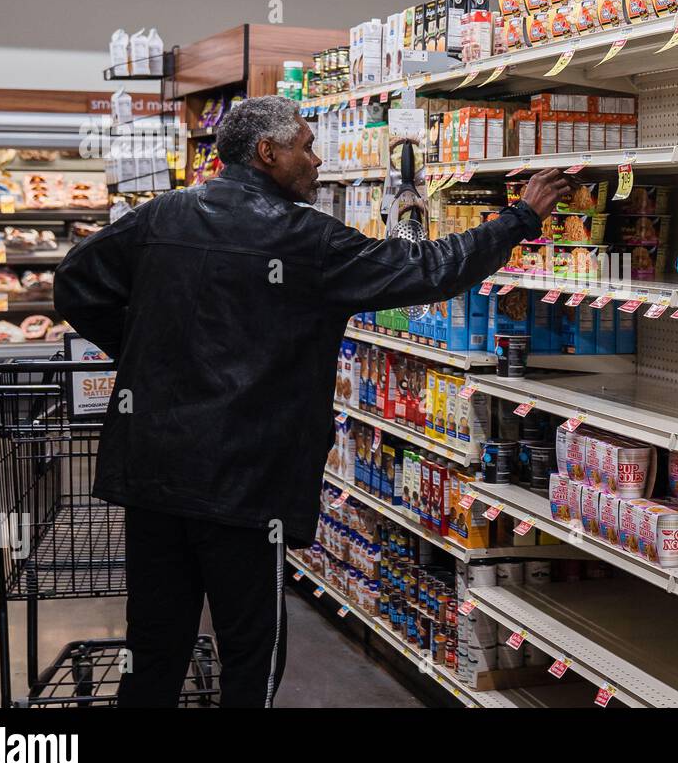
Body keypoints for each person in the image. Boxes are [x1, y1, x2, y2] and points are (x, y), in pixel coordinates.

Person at [54, 95, 571, 707]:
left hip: (154, 472)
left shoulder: (159, 217)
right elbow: (429, 270)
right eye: (304, 145)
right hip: (245, 482)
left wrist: (146, 355)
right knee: (250, 653)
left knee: (155, 648)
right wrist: (518, 218)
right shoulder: (305, 239)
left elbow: (75, 285)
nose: (317, 158)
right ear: (266, 153)